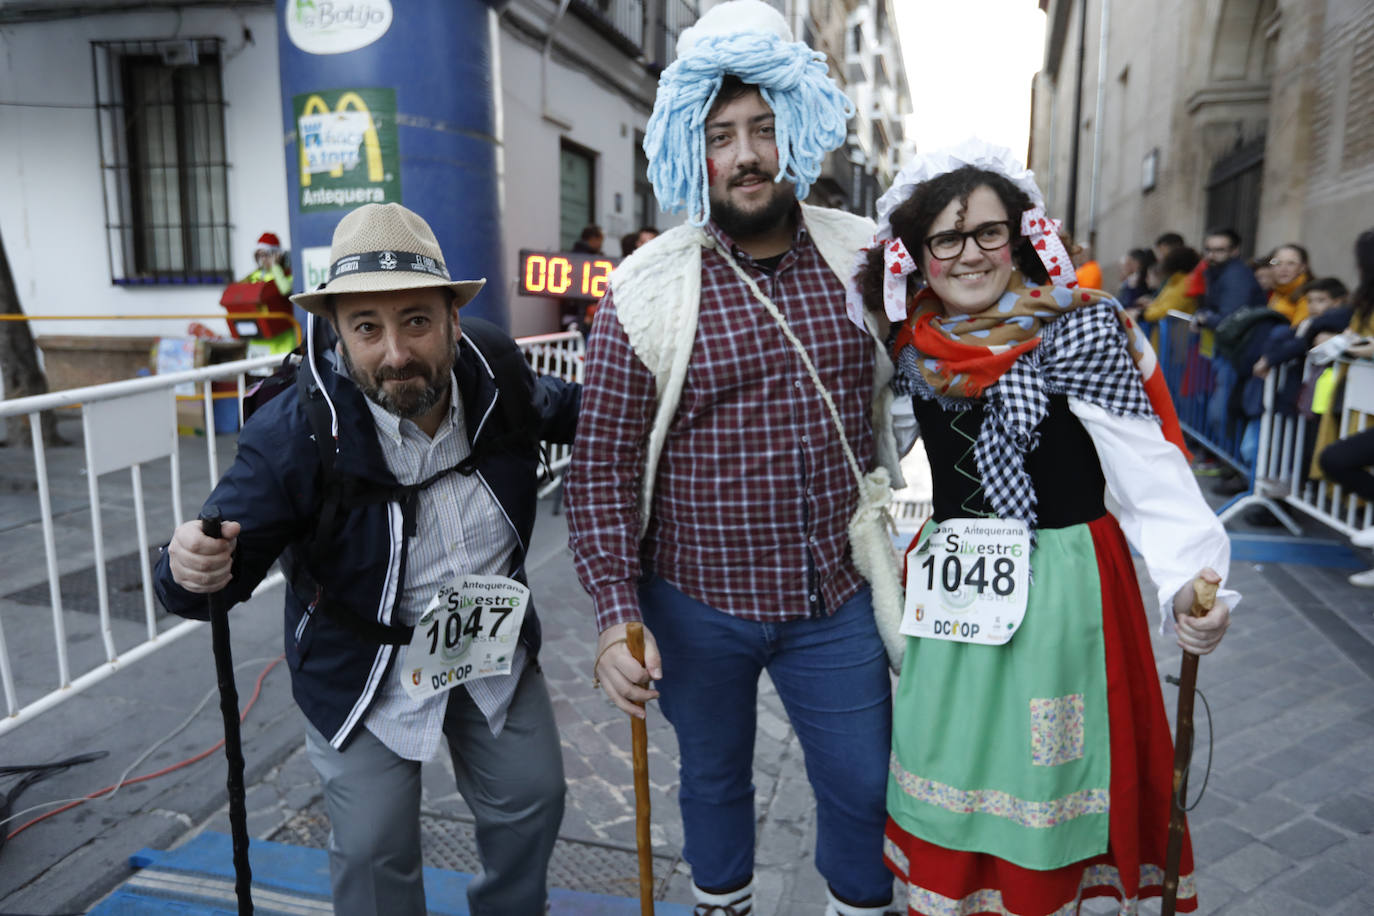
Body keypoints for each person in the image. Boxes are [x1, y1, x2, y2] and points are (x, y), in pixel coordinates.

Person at [566, 3, 904, 914]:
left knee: (867, 787)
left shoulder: (864, 259)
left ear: (795, 136)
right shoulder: (646, 286)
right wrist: (611, 614)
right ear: (694, 149)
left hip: (835, 594)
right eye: (722, 135)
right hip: (695, 602)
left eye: (763, 128)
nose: (746, 153)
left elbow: (950, 363)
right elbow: (598, 469)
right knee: (711, 785)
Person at [155, 203, 580, 916]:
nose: (395, 353)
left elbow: (589, 410)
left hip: (487, 639)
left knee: (534, 801)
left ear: (451, 316)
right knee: (373, 845)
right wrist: (186, 567)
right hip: (362, 664)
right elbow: (205, 577)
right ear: (337, 333)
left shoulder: (498, 374)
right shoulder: (294, 432)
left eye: (416, 320)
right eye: (367, 327)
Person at [851, 139, 1234, 916]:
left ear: (1023, 236)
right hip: (957, 599)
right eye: (946, 238)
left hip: (1063, 590)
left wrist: (1196, 583)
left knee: (1052, 775)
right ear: (918, 253)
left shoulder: (1080, 330)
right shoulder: (913, 346)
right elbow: (876, 452)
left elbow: (1147, 471)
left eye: (989, 232)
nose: (969, 255)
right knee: (953, 765)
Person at [1266, 243, 1314, 326]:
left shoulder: (1307, 295)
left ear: (1303, 267)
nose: (1283, 268)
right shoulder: (1278, 291)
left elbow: (1297, 333)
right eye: (1277, 263)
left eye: (1291, 263)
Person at [1117, 246, 1157, 315]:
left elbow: (1128, 303)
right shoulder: (1131, 279)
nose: (1123, 269)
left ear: (1136, 263)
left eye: (1128, 263)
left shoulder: (1139, 278)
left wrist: (1130, 288)